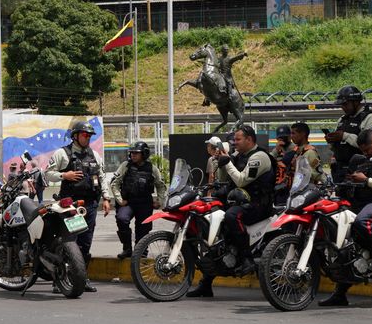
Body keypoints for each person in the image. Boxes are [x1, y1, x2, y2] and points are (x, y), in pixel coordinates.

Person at [319, 129, 372, 307]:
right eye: (362, 151)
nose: (364, 154)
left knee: (362, 222)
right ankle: (340, 294)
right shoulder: (363, 159)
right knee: (344, 244)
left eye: (367, 150)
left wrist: (365, 180)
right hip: (365, 204)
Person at [187, 125, 274, 298]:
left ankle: (247, 258)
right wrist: (221, 164)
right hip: (239, 199)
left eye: (238, 139)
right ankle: (206, 283)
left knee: (232, 216)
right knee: (211, 220)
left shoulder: (260, 157)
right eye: (234, 139)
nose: (234, 143)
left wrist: (228, 163)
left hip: (258, 204)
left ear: (249, 139)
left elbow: (241, 180)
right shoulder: (237, 156)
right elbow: (227, 179)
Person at [46, 120, 111, 293]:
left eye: (89, 135)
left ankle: (82, 278)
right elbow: (47, 174)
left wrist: (106, 198)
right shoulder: (62, 153)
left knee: (85, 243)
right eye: (84, 135)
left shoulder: (94, 155)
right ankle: (59, 280)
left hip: (89, 205)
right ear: (75, 136)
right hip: (70, 206)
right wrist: (64, 175)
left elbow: (102, 176)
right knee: (68, 242)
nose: (87, 138)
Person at [110, 141, 167, 259]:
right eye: (132, 153)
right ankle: (127, 249)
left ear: (144, 154)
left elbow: (161, 186)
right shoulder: (125, 165)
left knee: (143, 228)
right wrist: (120, 200)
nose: (133, 155)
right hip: (128, 201)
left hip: (145, 202)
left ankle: (141, 252)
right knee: (121, 219)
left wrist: (160, 201)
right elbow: (114, 183)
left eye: (136, 153)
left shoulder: (152, 168)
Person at [325, 85, 372, 191]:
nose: (343, 107)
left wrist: (344, 136)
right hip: (341, 170)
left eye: (345, 104)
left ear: (356, 102)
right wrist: (333, 141)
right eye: (341, 105)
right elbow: (338, 145)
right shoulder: (342, 119)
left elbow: (370, 144)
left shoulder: (369, 118)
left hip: (360, 170)